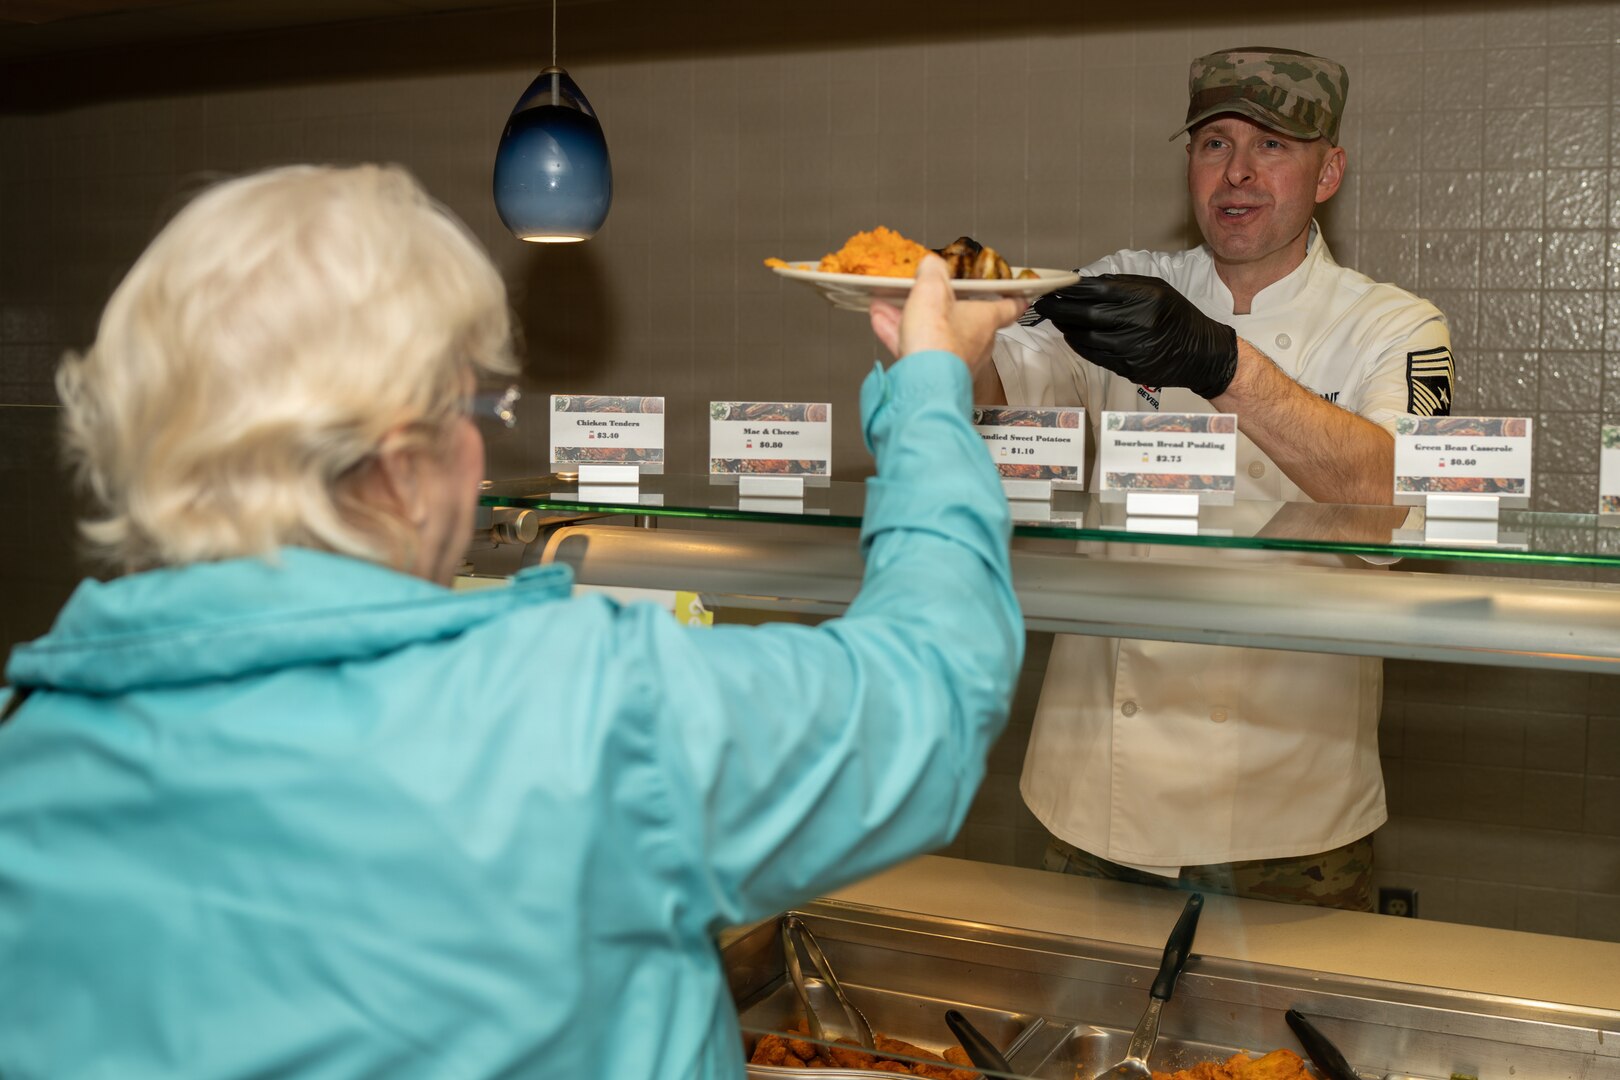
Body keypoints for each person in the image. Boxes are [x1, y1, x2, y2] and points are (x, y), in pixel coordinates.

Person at [0, 164, 1027, 1079]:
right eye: (474, 412)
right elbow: (929, 691)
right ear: (402, 457)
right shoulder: (575, 709)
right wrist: (928, 390)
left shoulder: (28, 751)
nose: (478, 455)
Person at [982, 48, 1455, 909]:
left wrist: (1220, 360)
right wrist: (951, 332)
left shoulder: (1396, 325)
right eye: (1212, 143)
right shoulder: (1128, 285)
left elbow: (1409, 509)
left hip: (1292, 818)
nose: (1236, 172)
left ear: (1328, 171)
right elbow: (1004, 407)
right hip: (1097, 799)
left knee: (1281, 1047)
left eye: (1273, 145)